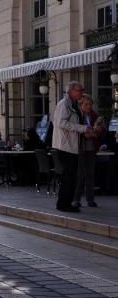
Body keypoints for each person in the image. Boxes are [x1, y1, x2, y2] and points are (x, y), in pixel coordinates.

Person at [52, 81, 91, 212]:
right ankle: (63, 204)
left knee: (72, 177)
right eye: (79, 90)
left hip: (72, 146)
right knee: (69, 177)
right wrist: (82, 128)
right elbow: (60, 123)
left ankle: (66, 203)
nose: (82, 92)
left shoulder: (74, 105)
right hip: (65, 146)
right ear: (71, 91)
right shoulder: (64, 104)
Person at [73, 94, 101, 208]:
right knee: (79, 175)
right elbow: (75, 130)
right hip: (80, 148)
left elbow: (100, 132)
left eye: (90, 104)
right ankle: (76, 199)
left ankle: (90, 199)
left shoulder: (95, 115)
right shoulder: (77, 116)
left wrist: (98, 131)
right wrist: (86, 133)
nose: (89, 106)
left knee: (90, 174)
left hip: (91, 149)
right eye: (86, 104)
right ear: (81, 105)